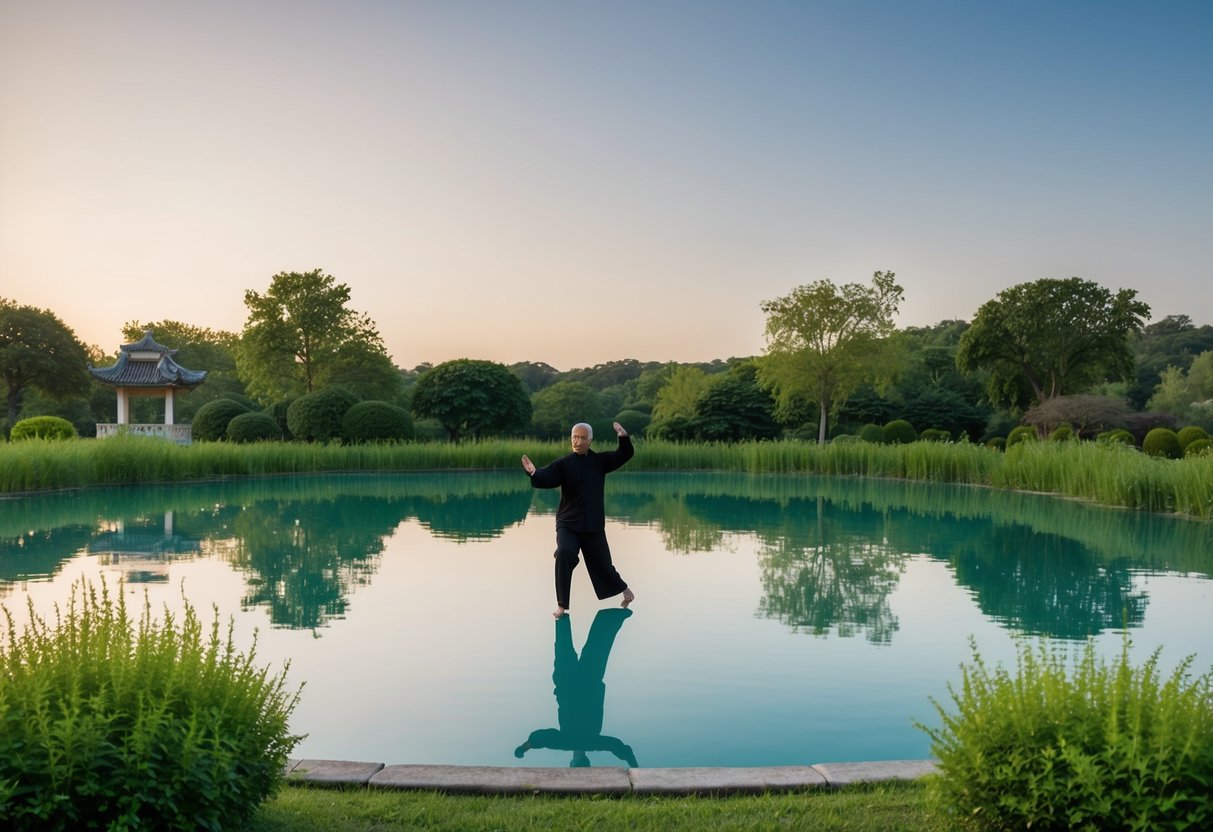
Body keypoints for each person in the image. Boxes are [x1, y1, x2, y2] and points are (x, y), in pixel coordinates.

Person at [522, 421, 636, 618]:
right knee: (565, 552)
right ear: (571, 438)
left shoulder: (600, 462)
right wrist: (534, 473)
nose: (578, 441)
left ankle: (624, 589)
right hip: (568, 523)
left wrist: (623, 437)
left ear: (590, 440)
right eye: (575, 437)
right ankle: (562, 605)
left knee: (603, 565)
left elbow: (623, 455)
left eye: (582, 438)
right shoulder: (564, 464)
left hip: (593, 525)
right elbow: (547, 476)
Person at [513, 607, 638, 768]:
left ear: (587, 760)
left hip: (589, 685)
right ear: (573, 761)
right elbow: (542, 738)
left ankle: (612, 617)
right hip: (568, 687)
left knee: (597, 649)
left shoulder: (594, 742)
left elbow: (617, 747)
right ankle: (562, 619)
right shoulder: (565, 742)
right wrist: (524, 747)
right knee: (564, 649)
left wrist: (634, 764)